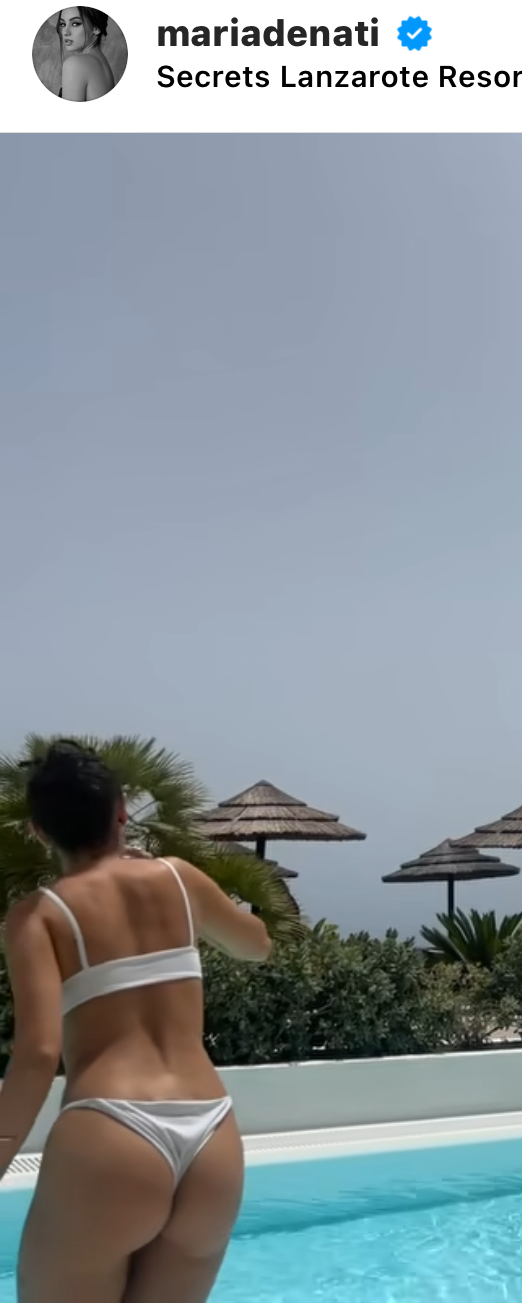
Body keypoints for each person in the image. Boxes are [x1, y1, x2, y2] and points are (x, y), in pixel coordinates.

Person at [0, 740, 271, 1302]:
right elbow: (256, 946)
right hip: (211, 1137)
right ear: (121, 812)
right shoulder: (180, 879)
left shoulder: (38, 916)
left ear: (40, 832)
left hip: (111, 1130)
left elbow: (39, 1053)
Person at [56, 8, 115, 101]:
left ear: (96, 28)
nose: (65, 32)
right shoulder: (101, 63)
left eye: (75, 24)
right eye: (63, 24)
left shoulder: (75, 64)